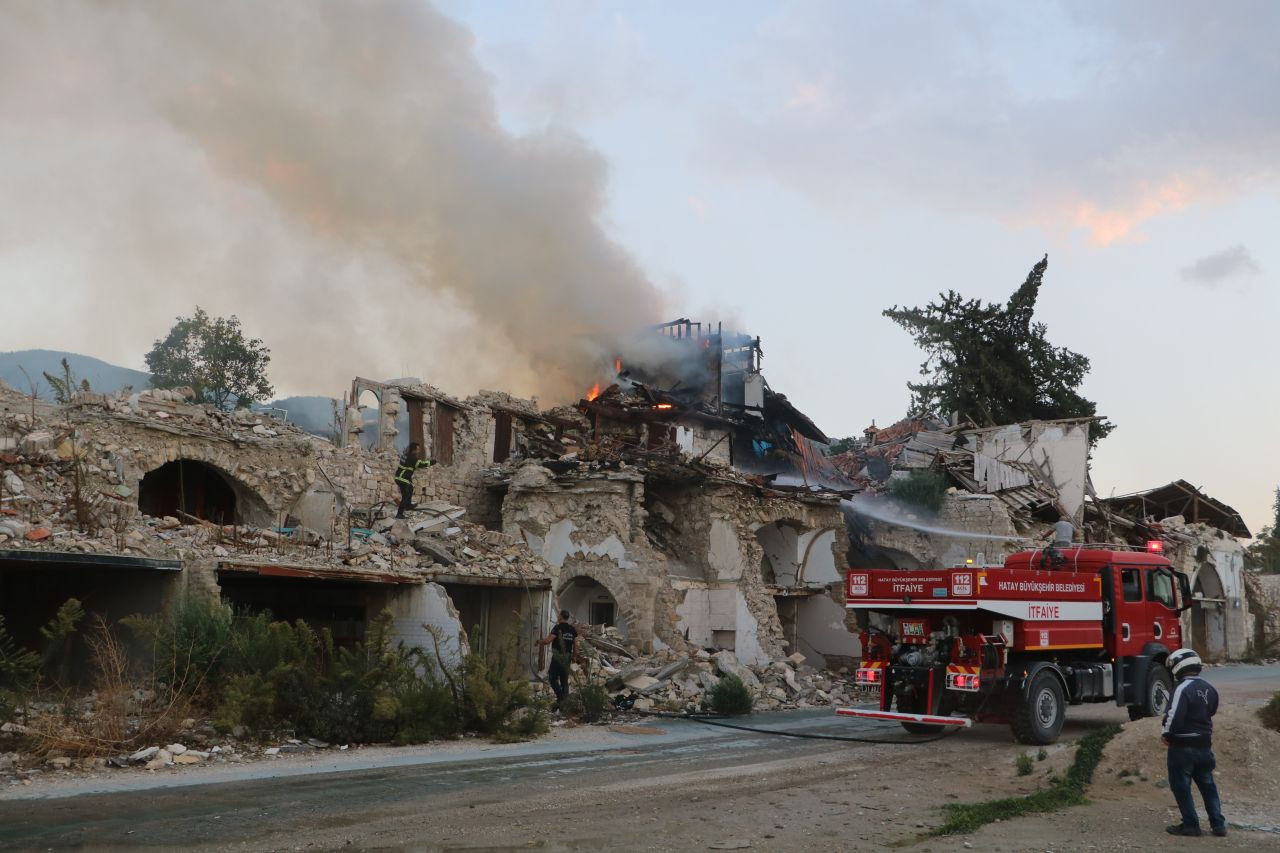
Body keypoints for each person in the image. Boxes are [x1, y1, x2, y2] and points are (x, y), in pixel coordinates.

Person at [1162, 648, 1227, 837]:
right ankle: (1218, 825)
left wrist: (1166, 733)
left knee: (1181, 786)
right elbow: (1211, 711)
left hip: (1182, 747)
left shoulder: (1181, 688)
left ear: (1178, 667)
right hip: (1205, 746)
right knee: (1208, 785)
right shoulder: (1209, 688)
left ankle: (1190, 825)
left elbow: (1174, 716)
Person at [538, 609, 579, 708]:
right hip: (567, 658)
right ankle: (565, 703)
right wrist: (574, 656)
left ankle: (561, 698)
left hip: (557, 657)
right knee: (564, 680)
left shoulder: (557, 628)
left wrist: (539, 642)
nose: (557, 616)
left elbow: (548, 641)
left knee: (552, 678)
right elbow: (576, 644)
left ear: (561, 617)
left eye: (558, 615)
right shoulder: (572, 629)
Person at [394, 442, 432, 519]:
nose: (419, 451)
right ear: (413, 450)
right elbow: (422, 464)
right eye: (418, 449)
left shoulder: (405, 455)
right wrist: (432, 462)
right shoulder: (412, 459)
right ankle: (399, 514)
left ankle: (408, 505)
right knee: (405, 496)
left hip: (401, 477)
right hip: (402, 478)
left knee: (410, 488)